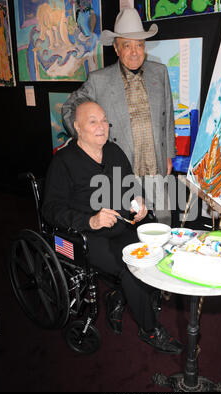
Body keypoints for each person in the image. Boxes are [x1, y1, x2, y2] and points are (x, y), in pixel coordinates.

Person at [42, 99, 183, 355]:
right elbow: (51, 210)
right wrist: (91, 220)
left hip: (123, 222)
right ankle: (149, 328)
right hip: (86, 235)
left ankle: (118, 296)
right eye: (92, 121)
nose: (101, 126)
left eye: (104, 120)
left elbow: (131, 185)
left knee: (159, 245)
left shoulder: (114, 151)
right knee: (133, 267)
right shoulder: (64, 161)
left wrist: (139, 202)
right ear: (77, 127)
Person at [62, 8, 176, 226]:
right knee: (129, 228)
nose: (134, 51)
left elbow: (168, 115)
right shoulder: (99, 80)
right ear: (116, 48)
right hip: (122, 173)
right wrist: (84, 139)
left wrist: (168, 153)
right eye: (127, 45)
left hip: (156, 166)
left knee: (162, 225)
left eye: (139, 45)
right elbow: (69, 108)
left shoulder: (159, 73)